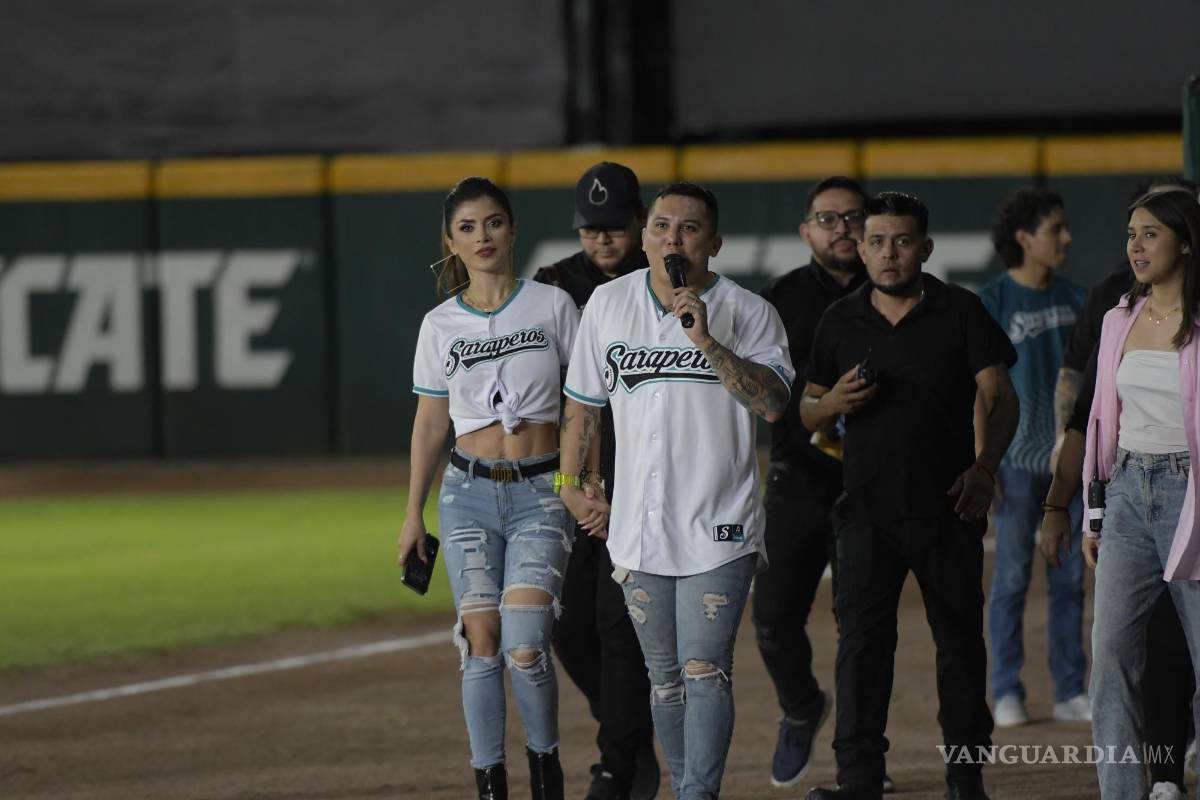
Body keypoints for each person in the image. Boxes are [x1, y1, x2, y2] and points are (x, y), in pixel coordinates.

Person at [558, 181, 793, 799]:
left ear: (714, 243)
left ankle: (697, 794)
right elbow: (581, 406)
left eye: (689, 229)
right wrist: (569, 484)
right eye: (661, 226)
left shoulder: (749, 311)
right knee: (664, 679)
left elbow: (773, 404)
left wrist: (707, 340)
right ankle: (690, 786)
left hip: (720, 524)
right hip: (639, 527)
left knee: (704, 669)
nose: (672, 240)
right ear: (644, 236)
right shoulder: (608, 304)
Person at [800, 192, 1019, 800]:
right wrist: (832, 403)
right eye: (876, 242)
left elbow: (1001, 397)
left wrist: (985, 466)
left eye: (901, 241)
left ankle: (965, 777)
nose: (888, 253)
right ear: (861, 248)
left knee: (960, 646)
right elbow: (808, 409)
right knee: (861, 648)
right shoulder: (840, 319)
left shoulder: (960, 310)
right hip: (865, 514)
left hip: (949, 507)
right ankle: (859, 779)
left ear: (925, 248)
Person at [397, 177, 580, 800]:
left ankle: (546, 773)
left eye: (494, 222)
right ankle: (491, 785)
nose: (483, 237)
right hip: (467, 495)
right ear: (450, 242)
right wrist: (412, 513)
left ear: (513, 229)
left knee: (525, 646)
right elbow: (430, 423)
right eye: (468, 228)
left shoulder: (553, 305)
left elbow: (584, 406)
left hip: (542, 491)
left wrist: (578, 482)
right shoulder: (439, 324)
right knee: (481, 642)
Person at [1042, 178, 1198, 800]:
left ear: (1186, 244)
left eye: (1151, 235)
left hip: (1192, 494)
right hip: (1129, 490)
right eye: (1131, 235)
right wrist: (1092, 512)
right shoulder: (1118, 318)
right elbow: (1098, 420)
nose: (1136, 247)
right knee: (1110, 657)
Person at [755, 176, 893, 793]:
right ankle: (801, 706)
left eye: (853, 217)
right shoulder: (777, 300)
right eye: (827, 218)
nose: (842, 229)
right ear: (806, 230)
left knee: (862, 628)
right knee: (772, 618)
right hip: (799, 478)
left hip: (874, 482)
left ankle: (860, 764)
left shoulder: (898, 291)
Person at [533, 162, 660, 800]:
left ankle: (619, 764)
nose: (602, 239)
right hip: (573, 476)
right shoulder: (555, 285)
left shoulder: (660, 280)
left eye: (614, 226)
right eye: (590, 228)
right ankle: (626, 729)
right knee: (564, 622)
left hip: (640, 472)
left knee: (618, 622)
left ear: (640, 220)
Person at [976, 188, 1089, 726]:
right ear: (1024, 237)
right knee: (1012, 578)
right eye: (1054, 228)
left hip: (1070, 464)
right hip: (1015, 465)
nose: (1066, 237)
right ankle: (1005, 690)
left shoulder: (1079, 298)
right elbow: (977, 389)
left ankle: (1069, 689)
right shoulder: (993, 301)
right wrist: (984, 459)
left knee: (1070, 578)